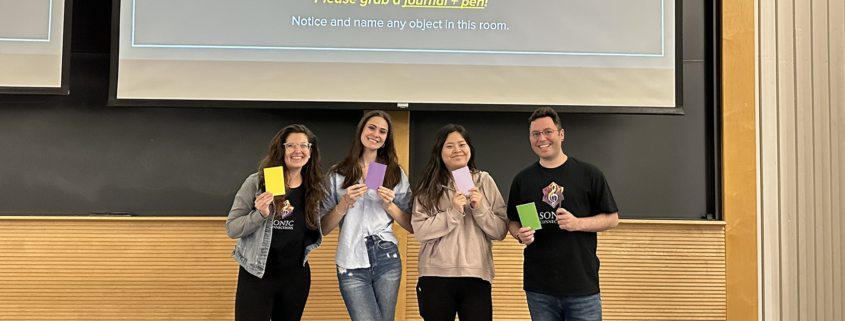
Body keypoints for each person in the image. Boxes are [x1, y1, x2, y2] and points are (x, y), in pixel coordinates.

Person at [507, 107, 619, 321]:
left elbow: (612, 218)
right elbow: (512, 221)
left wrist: (578, 223)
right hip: (539, 289)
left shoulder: (589, 174)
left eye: (547, 131)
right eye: (535, 134)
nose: (542, 138)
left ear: (561, 134)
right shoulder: (522, 180)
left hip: (582, 287)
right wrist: (519, 235)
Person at [225, 124, 326, 321]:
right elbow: (232, 228)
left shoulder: (314, 188)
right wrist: (260, 214)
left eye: (304, 145)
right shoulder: (257, 182)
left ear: (311, 151)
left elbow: (320, 226)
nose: (298, 151)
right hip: (257, 273)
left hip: (295, 277)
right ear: (281, 149)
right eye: (291, 146)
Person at [320, 110, 414, 321]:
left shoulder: (394, 173)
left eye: (382, 131)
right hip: (351, 259)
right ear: (361, 131)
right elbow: (323, 228)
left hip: (386, 255)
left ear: (386, 139)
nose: (376, 134)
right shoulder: (338, 173)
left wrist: (390, 206)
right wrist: (344, 204)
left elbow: (412, 225)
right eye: (371, 127)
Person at [411, 124, 508, 321]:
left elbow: (499, 231)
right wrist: (453, 213)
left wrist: (480, 208)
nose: (457, 150)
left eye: (462, 144)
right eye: (449, 146)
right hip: (435, 276)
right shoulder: (428, 185)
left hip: (476, 275)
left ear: (470, 149)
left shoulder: (484, 181)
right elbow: (420, 232)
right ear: (439, 152)